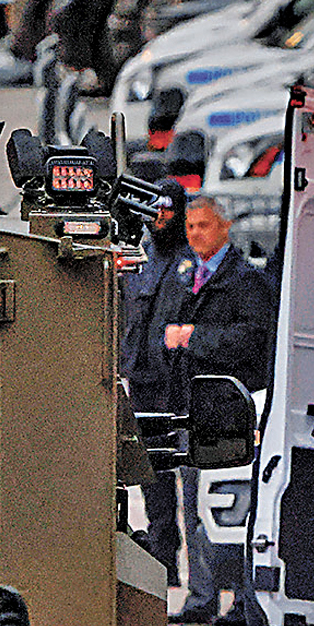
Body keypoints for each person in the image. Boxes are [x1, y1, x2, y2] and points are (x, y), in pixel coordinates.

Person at [157, 196, 276, 626]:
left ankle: (244, 597)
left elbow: (251, 338)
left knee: (235, 507)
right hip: (191, 406)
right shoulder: (185, 275)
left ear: (225, 227)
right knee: (192, 506)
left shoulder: (246, 280)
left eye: (203, 225)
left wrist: (194, 337)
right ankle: (202, 596)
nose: (194, 233)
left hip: (229, 409)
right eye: (190, 226)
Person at [120, 178, 188, 586]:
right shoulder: (139, 257)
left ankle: (195, 568)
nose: (160, 216)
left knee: (189, 478)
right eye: (155, 209)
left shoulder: (189, 260)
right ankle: (164, 561)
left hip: (177, 382)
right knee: (154, 478)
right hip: (142, 381)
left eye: (168, 209)